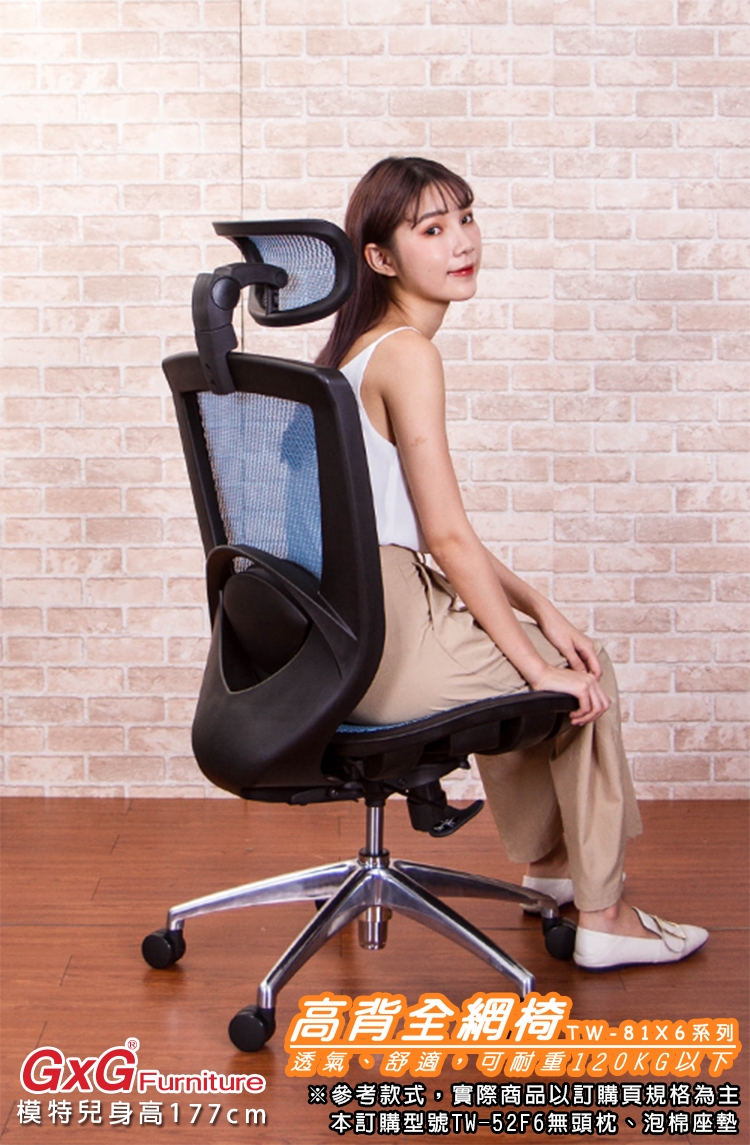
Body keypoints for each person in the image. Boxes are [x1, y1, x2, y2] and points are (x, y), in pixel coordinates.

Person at [317, 156, 708, 971]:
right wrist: (538, 662)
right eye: (432, 229)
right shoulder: (407, 354)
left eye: (465, 218)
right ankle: (605, 913)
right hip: (392, 635)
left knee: (546, 652)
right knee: (578, 680)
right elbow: (447, 539)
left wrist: (540, 610)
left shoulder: (355, 351)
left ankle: (554, 871)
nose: (462, 242)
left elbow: (430, 532)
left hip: (349, 634)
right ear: (380, 257)